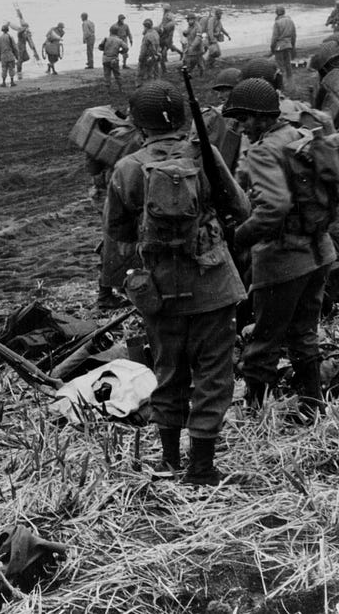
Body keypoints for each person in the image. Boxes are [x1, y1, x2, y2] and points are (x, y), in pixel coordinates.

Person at [104, 81, 249, 486]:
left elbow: (117, 237)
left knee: (168, 373)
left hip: (160, 292)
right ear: (183, 118)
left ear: (140, 124)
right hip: (214, 284)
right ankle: (201, 467)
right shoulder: (205, 155)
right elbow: (240, 207)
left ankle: (168, 461)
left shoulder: (128, 168)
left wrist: (137, 271)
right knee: (214, 376)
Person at [224, 77, 337, 421]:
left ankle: (253, 412)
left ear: (261, 117)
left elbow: (271, 211)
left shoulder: (263, 150)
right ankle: (313, 405)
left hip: (284, 258)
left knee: (264, 338)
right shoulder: (299, 135)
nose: (241, 128)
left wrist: (238, 236)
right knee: (304, 332)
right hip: (320, 250)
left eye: (244, 119)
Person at [270, 6, 296, 87]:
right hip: (288, 45)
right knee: (288, 65)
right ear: (284, 12)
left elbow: (274, 38)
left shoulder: (277, 23)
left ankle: (281, 85)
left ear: (277, 13)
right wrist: (293, 46)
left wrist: (272, 48)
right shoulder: (290, 21)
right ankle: (291, 84)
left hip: (279, 46)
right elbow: (294, 35)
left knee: (280, 66)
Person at [100, 25, 127, 91]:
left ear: (110, 31)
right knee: (117, 74)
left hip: (105, 59)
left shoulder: (106, 39)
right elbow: (126, 48)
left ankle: (108, 90)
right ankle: (121, 89)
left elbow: (100, 47)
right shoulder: (119, 40)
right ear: (117, 32)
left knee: (107, 75)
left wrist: (105, 49)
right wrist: (121, 52)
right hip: (114, 59)